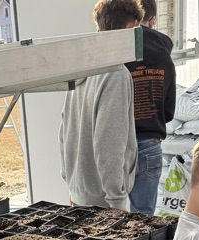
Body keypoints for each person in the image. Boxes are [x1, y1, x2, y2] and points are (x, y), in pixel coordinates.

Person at [59, 0, 142, 212]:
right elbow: (109, 143)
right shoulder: (116, 74)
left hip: (81, 194)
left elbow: (64, 130)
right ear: (130, 27)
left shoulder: (83, 71)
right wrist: (118, 202)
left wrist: (71, 183)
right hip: (104, 202)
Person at [125, 0, 177, 240]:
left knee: (108, 220)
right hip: (149, 146)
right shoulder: (164, 55)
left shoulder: (114, 50)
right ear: (152, 19)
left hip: (116, 146)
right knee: (142, 221)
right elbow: (168, 111)